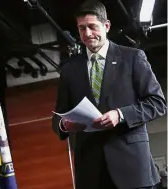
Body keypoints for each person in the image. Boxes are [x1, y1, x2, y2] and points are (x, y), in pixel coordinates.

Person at [52, 1, 167, 189]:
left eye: (92, 27)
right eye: (82, 28)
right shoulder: (69, 70)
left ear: (106, 26)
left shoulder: (132, 58)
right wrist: (65, 125)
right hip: (91, 172)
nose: (87, 34)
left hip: (132, 168)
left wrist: (120, 115)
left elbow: (157, 103)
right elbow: (58, 117)